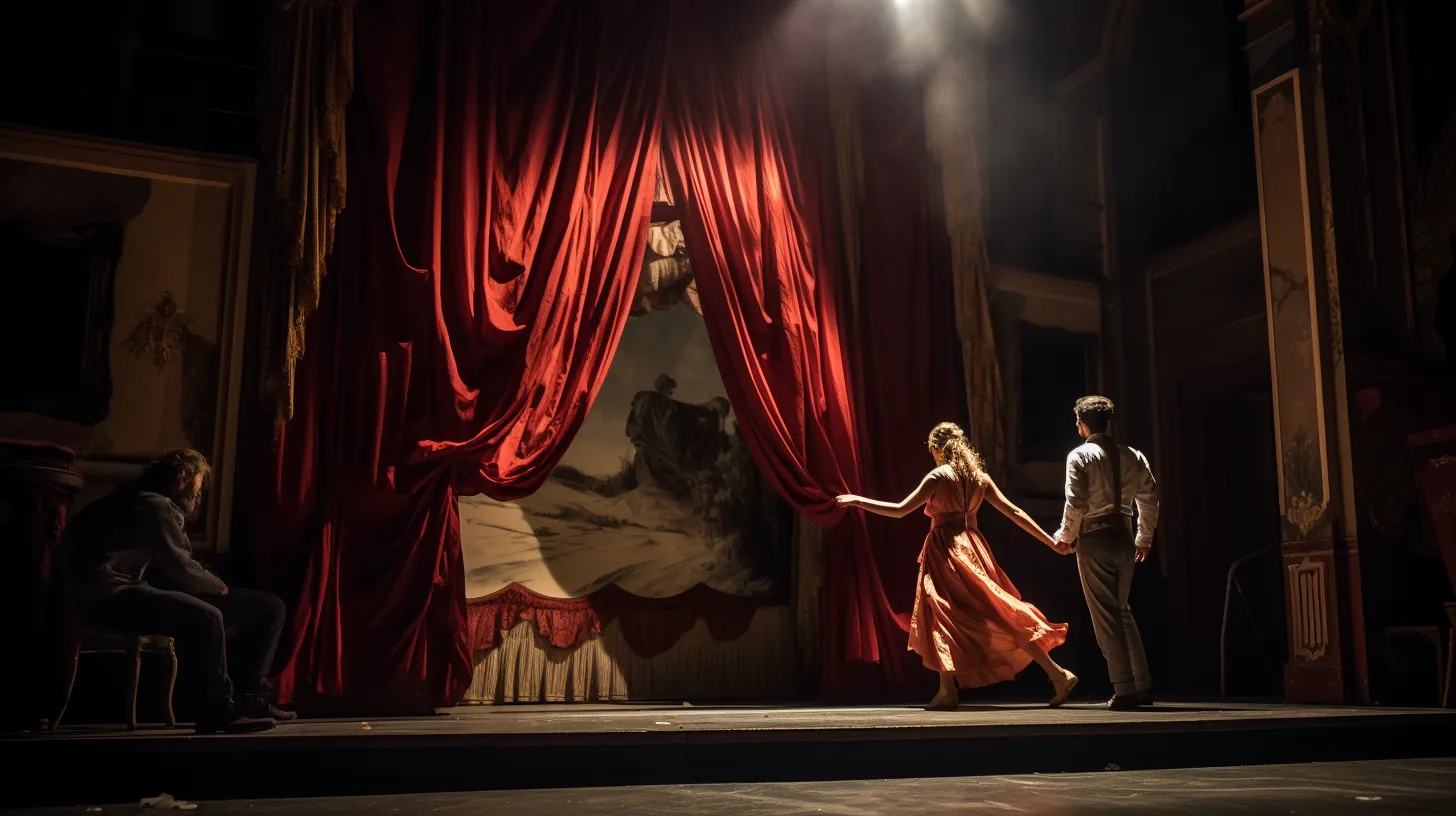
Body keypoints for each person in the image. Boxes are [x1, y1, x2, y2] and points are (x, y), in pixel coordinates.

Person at [836, 422, 1078, 710]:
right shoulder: (978, 477)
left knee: (941, 611)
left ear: (938, 448)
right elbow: (1014, 512)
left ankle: (952, 689)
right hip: (974, 548)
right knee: (997, 612)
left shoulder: (939, 476)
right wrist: (1051, 542)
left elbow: (900, 510)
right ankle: (1046, 674)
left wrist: (857, 501)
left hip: (946, 549)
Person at [66, 449, 296, 733]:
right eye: (199, 484)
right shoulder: (154, 505)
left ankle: (249, 698)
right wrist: (219, 587)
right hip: (110, 597)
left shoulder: (131, 498)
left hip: (118, 591)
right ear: (183, 478)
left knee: (269, 607)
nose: (199, 494)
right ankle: (218, 710)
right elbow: (182, 567)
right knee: (207, 616)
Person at [1053, 396, 1160, 710]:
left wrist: (1065, 537)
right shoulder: (1134, 456)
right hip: (1124, 536)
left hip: (1095, 536)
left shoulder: (1080, 456)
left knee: (1106, 617)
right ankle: (1143, 684)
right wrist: (1144, 539)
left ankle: (1124, 688)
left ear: (1082, 423)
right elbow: (1150, 499)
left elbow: (1076, 502)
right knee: (1122, 611)